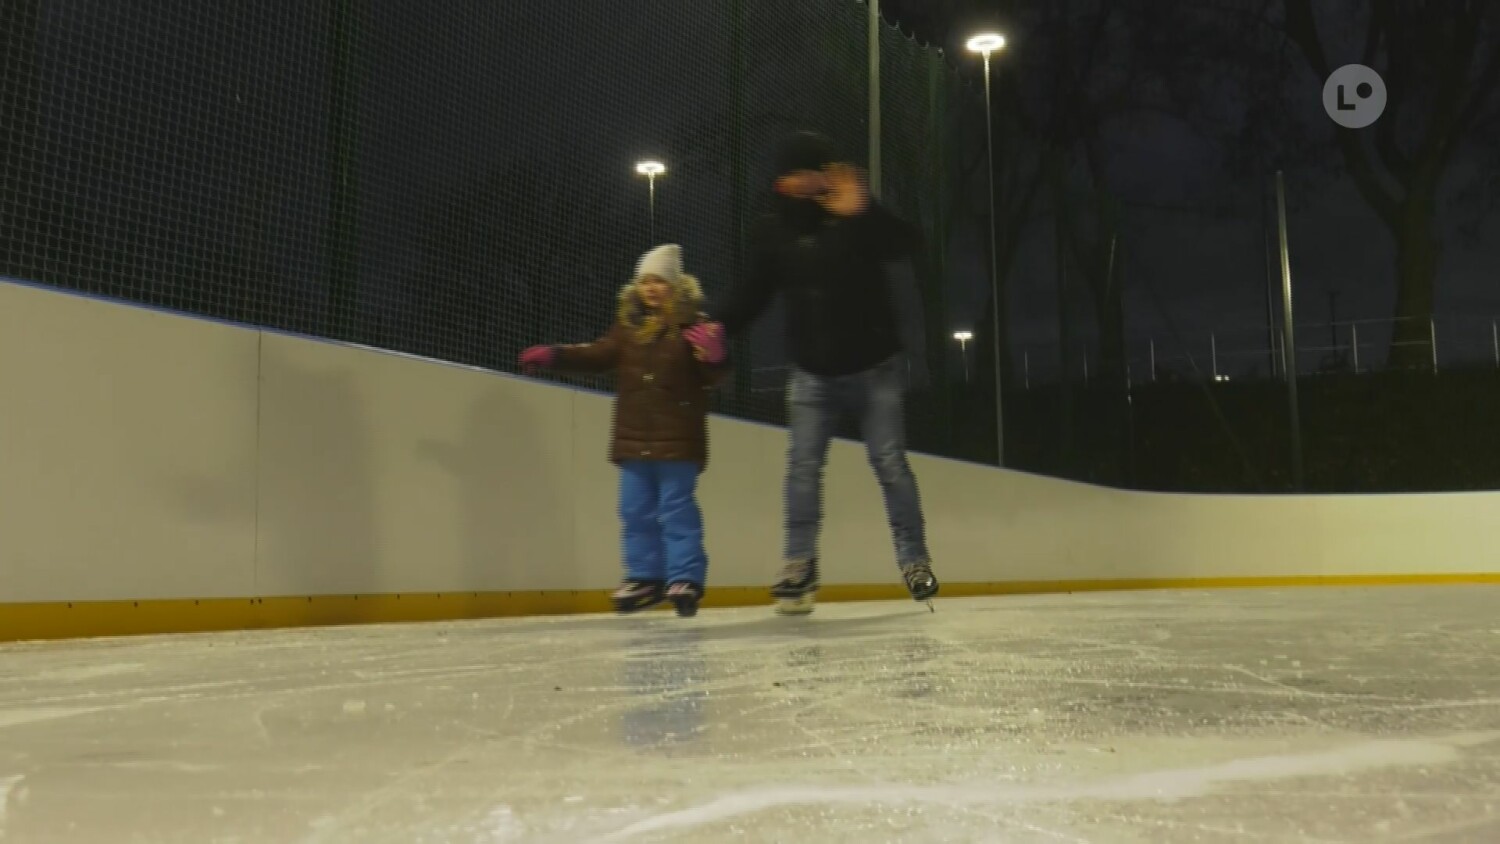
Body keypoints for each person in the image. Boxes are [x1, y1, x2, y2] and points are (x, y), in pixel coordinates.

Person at [685, 130, 938, 615]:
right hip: (812, 375)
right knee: (802, 469)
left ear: (826, 175)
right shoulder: (772, 232)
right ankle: (799, 566)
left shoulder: (852, 216)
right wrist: (717, 326)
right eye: (792, 174)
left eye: (812, 172)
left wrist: (865, 213)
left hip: (874, 369)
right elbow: (752, 294)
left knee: (889, 463)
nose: (803, 182)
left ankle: (914, 560)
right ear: (782, 183)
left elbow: (908, 243)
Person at [520, 244, 729, 618]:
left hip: (679, 440)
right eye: (646, 281)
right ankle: (645, 576)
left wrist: (717, 356)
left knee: (676, 509)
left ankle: (684, 577)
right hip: (634, 440)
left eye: (660, 281)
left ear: (676, 287)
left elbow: (714, 376)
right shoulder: (627, 330)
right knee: (634, 510)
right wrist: (557, 355)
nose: (651, 288)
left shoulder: (693, 328)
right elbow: (596, 355)